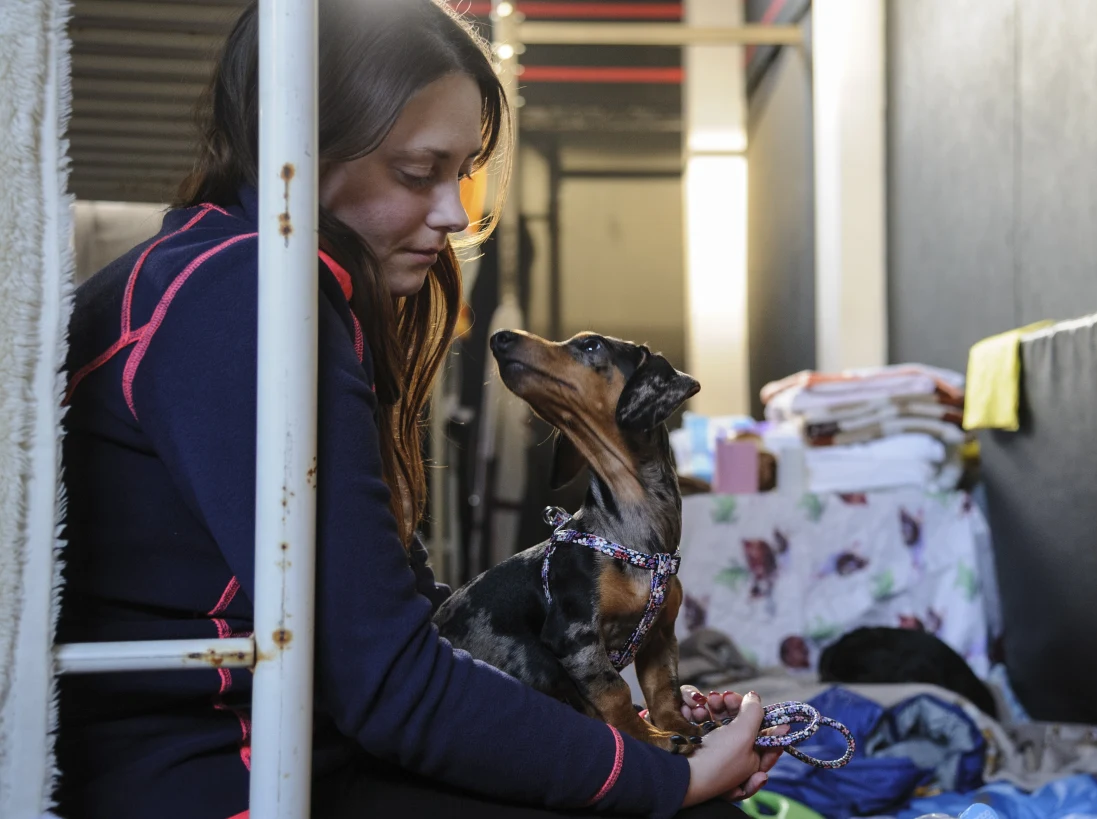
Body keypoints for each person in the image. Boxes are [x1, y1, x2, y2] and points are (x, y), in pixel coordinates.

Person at [54, 2, 785, 817]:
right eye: (417, 171)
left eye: (462, 172)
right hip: (221, 776)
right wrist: (667, 778)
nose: (455, 214)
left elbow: (406, 626)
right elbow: (391, 681)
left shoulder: (210, 272)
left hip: (292, 746)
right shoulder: (243, 296)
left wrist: (649, 728)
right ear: (303, 144)